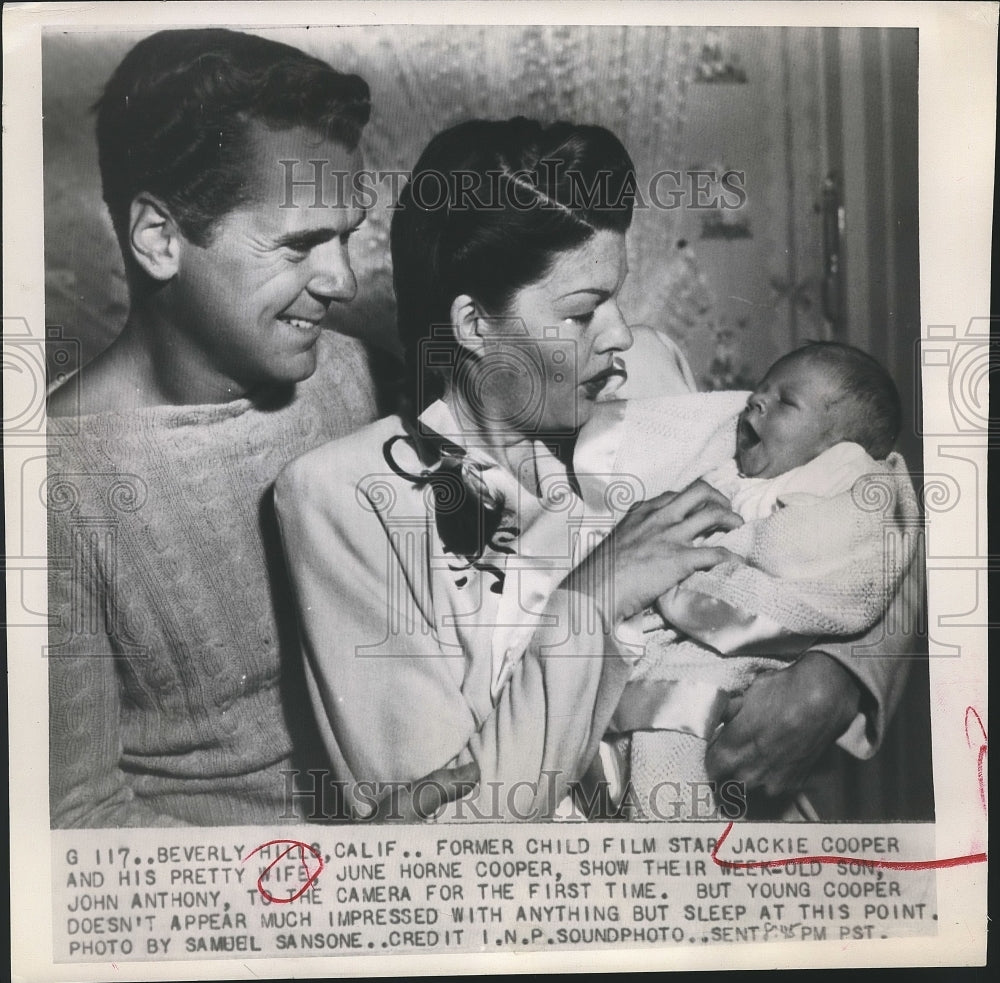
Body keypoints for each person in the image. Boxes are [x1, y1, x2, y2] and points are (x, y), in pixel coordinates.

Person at [276, 117, 901, 822]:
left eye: (616, 296)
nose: (621, 335)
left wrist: (843, 672)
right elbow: (442, 833)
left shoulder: (648, 372)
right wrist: (593, 596)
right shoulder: (348, 498)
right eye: (582, 312)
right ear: (475, 325)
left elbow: (858, 479)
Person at [47, 28, 381, 827]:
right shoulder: (47, 483)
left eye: (347, 235)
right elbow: (80, 818)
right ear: (159, 238)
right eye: (300, 243)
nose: (343, 279)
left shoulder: (349, 371)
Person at [588, 342, 921, 817]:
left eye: (782, 401)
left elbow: (882, 534)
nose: (755, 404)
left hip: (735, 647)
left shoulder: (636, 360)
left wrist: (839, 675)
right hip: (607, 679)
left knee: (678, 729)